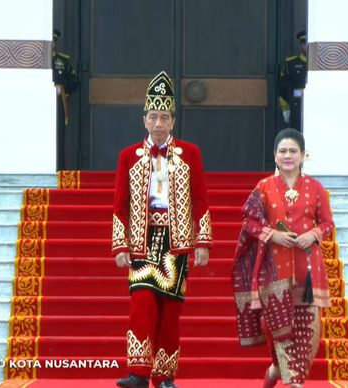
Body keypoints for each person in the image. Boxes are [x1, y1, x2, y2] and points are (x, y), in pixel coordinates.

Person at [112, 71, 212, 388]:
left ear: (172, 121)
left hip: (176, 241)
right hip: (142, 240)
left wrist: (202, 242)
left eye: (164, 117)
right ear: (144, 120)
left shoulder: (190, 153)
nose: (158, 123)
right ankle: (138, 374)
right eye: (153, 117)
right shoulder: (128, 156)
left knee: (170, 313)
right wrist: (120, 245)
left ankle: (165, 376)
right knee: (141, 306)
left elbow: (201, 199)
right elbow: (120, 203)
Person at [231, 128, 333, 388]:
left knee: (309, 332)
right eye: (282, 151)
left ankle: (278, 373)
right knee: (278, 329)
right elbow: (249, 223)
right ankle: (292, 381)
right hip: (273, 272)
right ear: (275, 156)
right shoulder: (263, 188)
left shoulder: (316, 188)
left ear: (303, 155)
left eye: (293, 151)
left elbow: (327, 223)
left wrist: (313, 234)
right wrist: (271, 235)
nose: (287, 156)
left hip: (307, 271)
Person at [52, 29, 78, 169]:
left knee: (59, 134)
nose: (52, 44)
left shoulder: (63, 60)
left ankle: (60, 169)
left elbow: (74, 81)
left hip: (58, 100)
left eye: (54, 41)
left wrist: (64, 90)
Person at [278, 31, 307, 132]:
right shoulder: (291, 63)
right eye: (304, 43)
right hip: (297, 106)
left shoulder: (322, 65)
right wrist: (286, 109)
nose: (306, 47)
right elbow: (282, 87)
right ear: (301, 44)